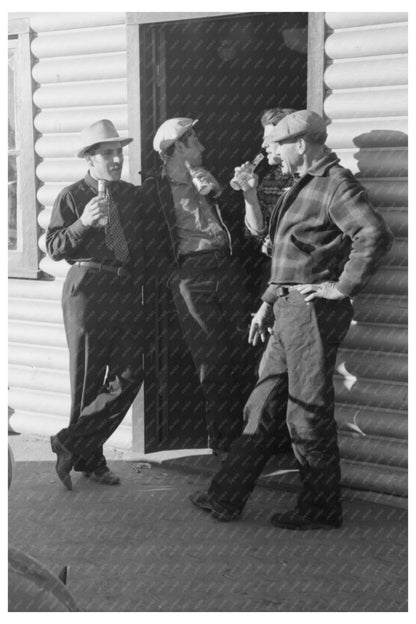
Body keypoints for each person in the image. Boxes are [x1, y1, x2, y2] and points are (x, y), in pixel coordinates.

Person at [190, 110, 393, 529]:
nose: (273, 152)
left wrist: (341, 287)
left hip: (312, 313)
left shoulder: (335, 184)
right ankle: (225, 497)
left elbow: (373, 235)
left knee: (307, 412)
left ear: (301, 144)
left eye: (280, 144)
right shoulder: (300, 186)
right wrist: (267, 300)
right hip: (286, 309)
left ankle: (320, 509)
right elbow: (290, 256)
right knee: (262, 404)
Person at [141, 118, 254, 459]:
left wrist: (221, 194)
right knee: (212, 359)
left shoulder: (209, 179)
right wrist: (173, 276)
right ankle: (224, 443)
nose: (203, 147)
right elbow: (148, 240)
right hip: (191, 274)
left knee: (247, 351)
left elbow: (245, 228)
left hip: (227, 267)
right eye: (195, 142)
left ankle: (255, 440)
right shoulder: (154, 190)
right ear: (176, 148)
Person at [46, 119, 143, 490]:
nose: (117, 159)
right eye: (108, 153)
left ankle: (70, 441)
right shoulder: (72, 196)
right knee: (87, 377)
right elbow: (54, 248)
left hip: (121, 286)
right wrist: (83, 223)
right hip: (85, 287)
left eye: (119, 152)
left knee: (132, 370)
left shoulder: (130, 195)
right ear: (89, 158)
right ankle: (90, 461)